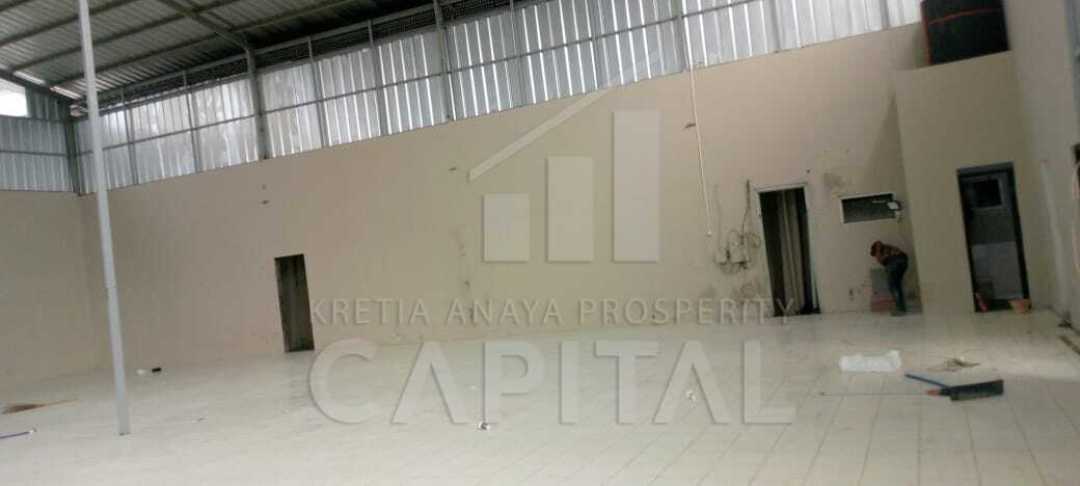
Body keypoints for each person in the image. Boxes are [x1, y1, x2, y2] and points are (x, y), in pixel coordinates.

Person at [870, 240, 908, 315]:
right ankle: (902, 308)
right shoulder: (887, 247)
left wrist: (878, 250)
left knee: (893, 287)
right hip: (904, 261)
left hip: (896, 262)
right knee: (897, 286)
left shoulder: (882, 250)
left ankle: (900, 309)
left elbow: (884, 260)